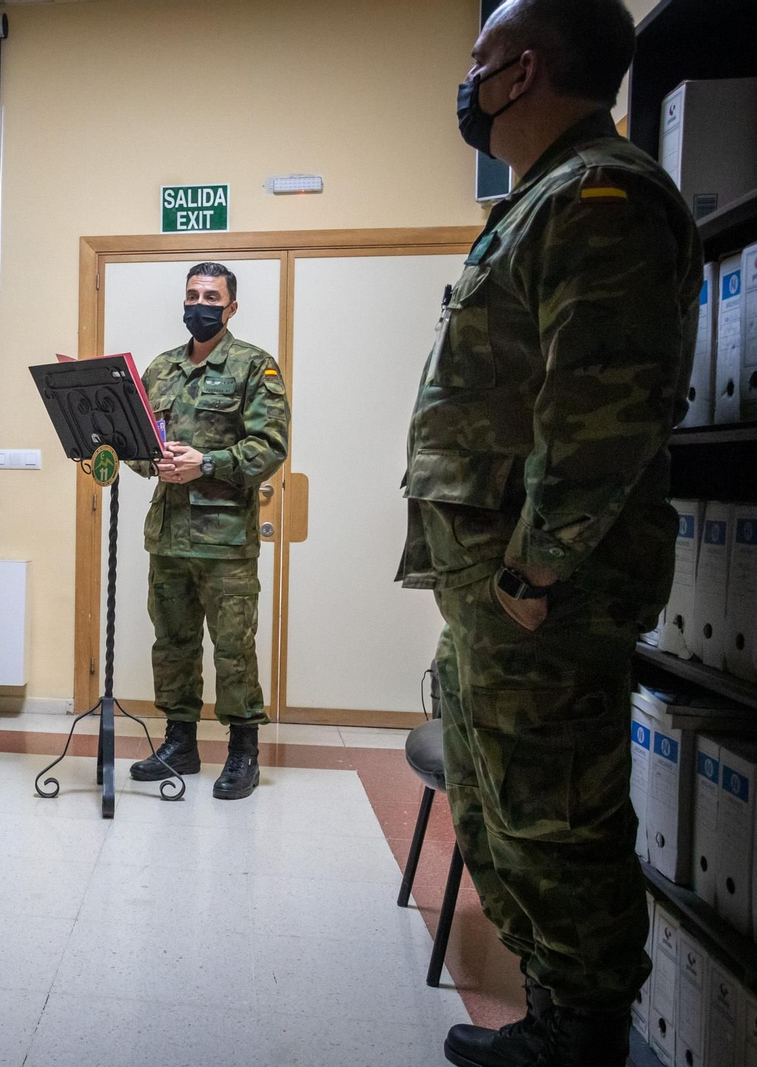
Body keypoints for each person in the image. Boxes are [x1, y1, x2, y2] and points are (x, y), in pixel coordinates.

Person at [396, 1, 701, 1062]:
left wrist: (532, 571)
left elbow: (601, 415)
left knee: (556, 818)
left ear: (522, 72)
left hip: (543, 594)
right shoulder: (541, 200)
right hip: (498, 590)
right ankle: (554, 1015)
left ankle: (583, 1036)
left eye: (477, 61)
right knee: (501, 801)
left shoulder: (601, 196)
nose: (468, 81)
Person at [126, 262, 289, 800]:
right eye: (193, 294)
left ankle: (243, 751)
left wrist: (208, 463)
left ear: (231, 307)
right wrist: (155, 463)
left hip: (224, 542)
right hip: (168, 535)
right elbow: (138, 444)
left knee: (232, 648)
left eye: (211, 296)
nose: (200, 304)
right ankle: (181, 742)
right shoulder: (160, 369)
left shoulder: (253, 366)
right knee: (172, 644)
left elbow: (270, 448)